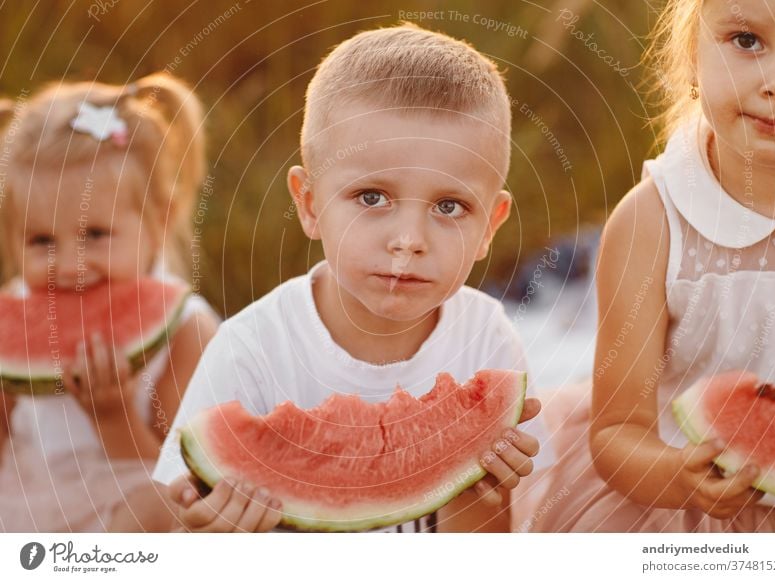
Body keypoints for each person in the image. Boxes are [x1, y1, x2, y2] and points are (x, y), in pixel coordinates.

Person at [153, 23, 549, 533]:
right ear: (310, 204)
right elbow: (173, 515)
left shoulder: (487, 340)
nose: (409, 239)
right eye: (371, 198)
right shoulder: (251, 348)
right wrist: (205, 529)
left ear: (489, 227)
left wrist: (473, 492)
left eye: (449, 206)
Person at [512, 0, 775, 533]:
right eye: (746, 40)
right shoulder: (653, 223)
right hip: (675, 509)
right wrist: (676, 474)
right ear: (692, 56)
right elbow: (619, 430)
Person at [0, 73, 219, 532]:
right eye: (41, 240)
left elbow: (189, 487)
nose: (69, 266)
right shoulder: (13, 314)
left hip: (125, 509)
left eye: (94, 235)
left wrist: (113, 415)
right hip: (24, 504)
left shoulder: (187, 331)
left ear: (162, 219)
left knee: (158, 515)